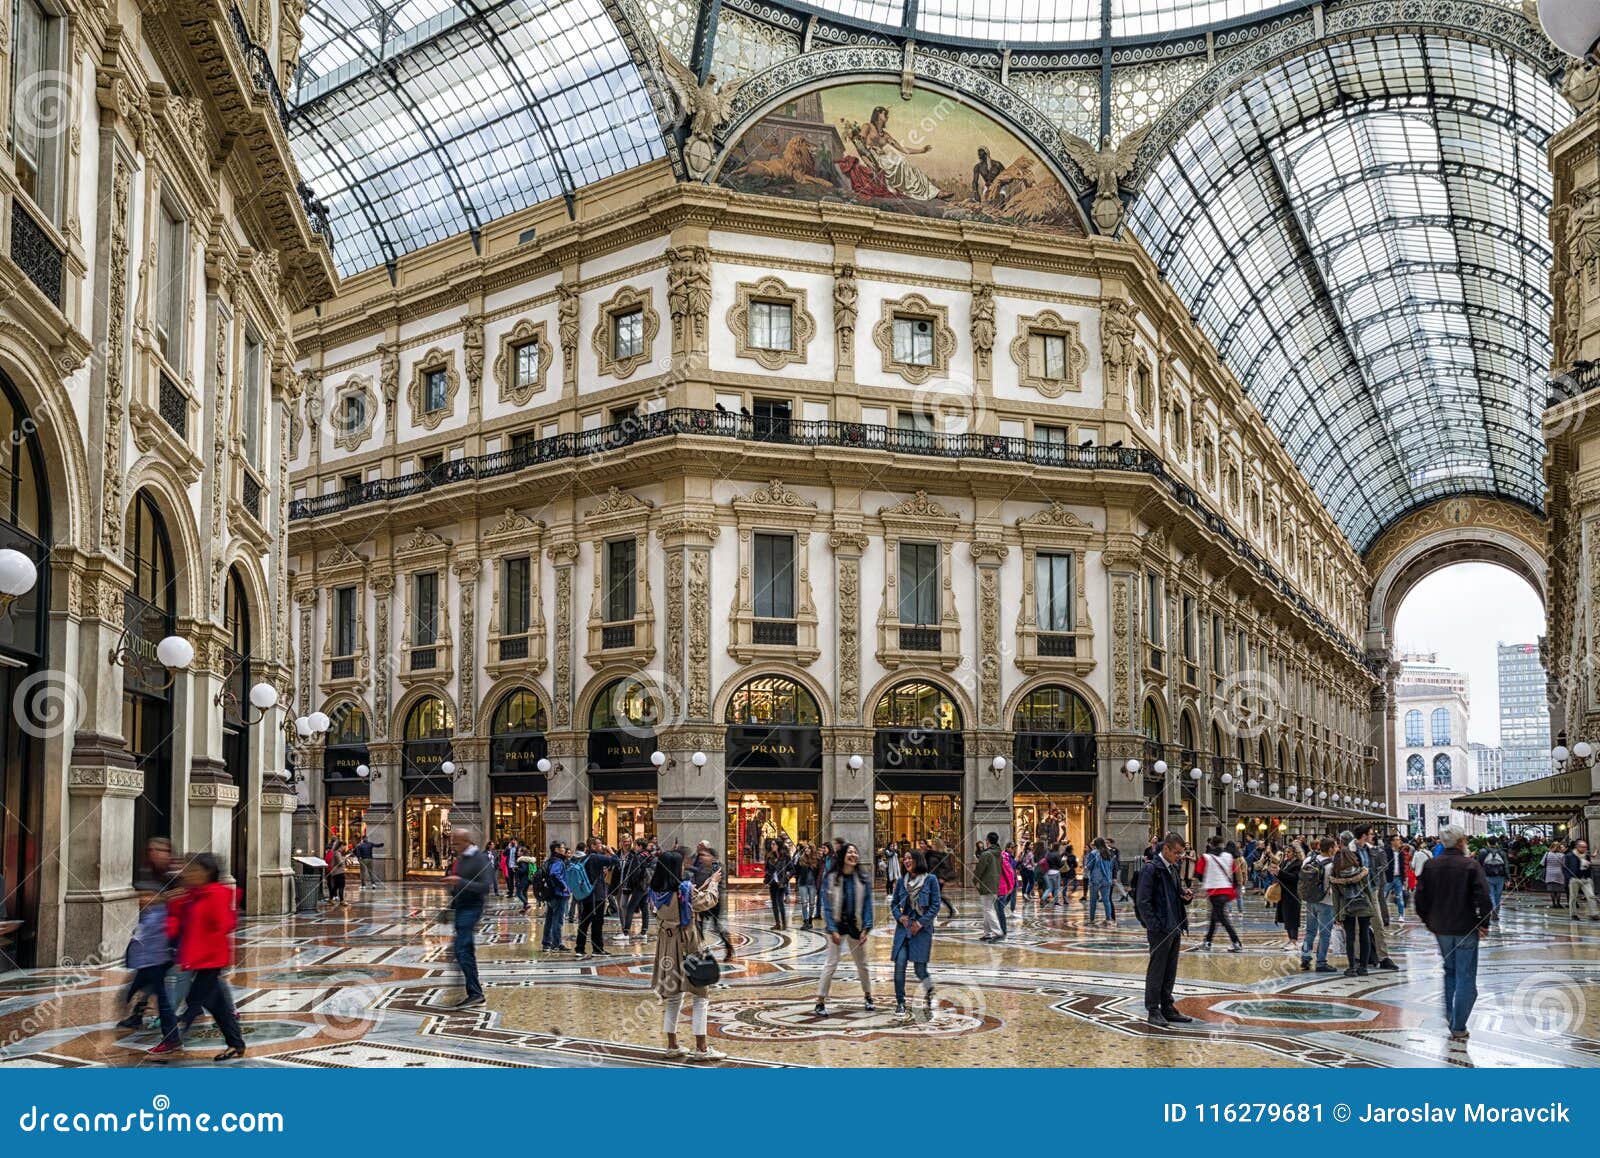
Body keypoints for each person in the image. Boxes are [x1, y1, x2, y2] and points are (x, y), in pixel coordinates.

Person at [157, 853, 246, 1059]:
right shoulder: (193, 895)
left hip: (212, 958)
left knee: (193, 1001)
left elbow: (226, 923)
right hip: (198, 957)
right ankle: (236, 1043)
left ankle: (173, 1040)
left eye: (193, 870)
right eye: (188, 870)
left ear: (207, 873)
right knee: (217, 1004)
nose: (188, 874)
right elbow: (179, 922)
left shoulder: (215, 894)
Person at [1413, 824, 1493, 1043]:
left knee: (1450, 971)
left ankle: (1451, 1015)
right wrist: (1484, 923)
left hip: (1441, 928)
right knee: (1466, 976)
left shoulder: (1431, 865)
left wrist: (1428, 920)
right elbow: (1484, 897)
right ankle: (1458, 1025)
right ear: (1461, 842)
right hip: (1466, 927)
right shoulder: (1470, 865)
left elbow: (1420, 898)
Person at [649, 849, 724, 1061]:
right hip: (688, 944)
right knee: (701, 996)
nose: (684, 867)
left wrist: (701, 885)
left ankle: (672, 1045)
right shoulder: (684, 888)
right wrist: (714, 882)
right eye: (681, 864)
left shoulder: (655, 889)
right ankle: (702, 1048)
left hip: (666, 945)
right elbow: (707, 901)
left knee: (674, 999)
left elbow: (685, 902)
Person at [1136, 832, 1195, 1028]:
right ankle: (1153, 1009)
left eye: (1182, 853)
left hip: (1174, 925)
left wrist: (1185, 897)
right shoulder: (1152, 869)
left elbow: (1174, 895)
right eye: (1177, 852)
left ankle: (1167, 1006)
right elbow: (1143, 902)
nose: (1180, 856)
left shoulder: (1172, 868)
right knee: (1157, 969)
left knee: (1170, 969)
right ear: (1166, 849)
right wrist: (1155, 926)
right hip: (1161, 928)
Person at [815, 843, 874, 1015]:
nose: (853, 855)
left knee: (862, 964)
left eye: (856, 852)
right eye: (850, 852)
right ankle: (820, 1001)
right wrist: (832, 928)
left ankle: (868, 996)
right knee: (831, 963)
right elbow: (826, 905)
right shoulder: (832, 877)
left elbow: (867, 905)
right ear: (843, 856)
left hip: (855, 925)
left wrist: (866, 928)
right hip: (837, 926)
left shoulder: (862, 879)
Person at [120, 877, 178, 1043]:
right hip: (146, 964)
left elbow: (156, 940)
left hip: (156, 963)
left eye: (147, 895)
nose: (142, 899)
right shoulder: (148, 913)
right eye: (140, 896)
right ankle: (137, 1016)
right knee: (134, 992)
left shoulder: (160, 916)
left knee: (163, 999)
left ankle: (171, 1035)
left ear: (158, 896)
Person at [443, 826, 493, 1007]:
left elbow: (485, 887)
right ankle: (471, 989)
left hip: (472, 908)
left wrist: (459, 881)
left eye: (456, 843)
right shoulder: (462, 858)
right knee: (460, 950)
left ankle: (475, 993)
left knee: (462, 949)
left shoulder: (480, 859)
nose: (453, 846)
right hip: (461, 908)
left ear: (465, 841)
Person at [890, 848, 940, 1020]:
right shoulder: (901, 881)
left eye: (910, 858)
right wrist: (900, 917)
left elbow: (935, 905)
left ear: (918, 860)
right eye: (904, 858)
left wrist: (920, 923)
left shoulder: (930, 880)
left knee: (920, 969)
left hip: (922, 930)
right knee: (900, 964)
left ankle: (929, 989)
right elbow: (894, 904)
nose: (906, 861)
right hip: (904, 929)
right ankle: (900, 1002)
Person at [1351, 825, 1399, 970]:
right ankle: (1358, 957)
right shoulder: (1349, 851)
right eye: (1371, 834)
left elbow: (1381, 867)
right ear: (1364, 835)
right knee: (1359, 927)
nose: (1373, 836)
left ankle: (1383, 957)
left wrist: (1375, 878)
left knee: (1378, 923)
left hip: (1372, 890)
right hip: (1357, 892)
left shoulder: (1372, 850)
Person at [1330, 839, 1374, 977]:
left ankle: (1352, 968)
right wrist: (1371, 906)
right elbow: (1368, 890)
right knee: (1364, 934)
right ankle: (1364, 967)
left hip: (1346, 907)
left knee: (1350, 937)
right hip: (1364, 905)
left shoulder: (1336, 875)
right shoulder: (1361, 871)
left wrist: (1337, 915)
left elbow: (1335, 897)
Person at [573, 838, 621, 958]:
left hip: (586, 894)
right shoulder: (596, 857)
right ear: (593, 846)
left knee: (584, 921)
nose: (602, 845)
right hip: (596, 895)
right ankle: (597, 949)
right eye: (599, 844)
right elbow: (616, 861)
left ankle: (580, 948)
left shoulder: (585, 857)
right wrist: (610, 851)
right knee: (597, 923)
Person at [1298, 836, 1338, 973]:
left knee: (1310, 931)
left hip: (1310, 901)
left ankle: (1305, 956)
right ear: (1331, 848)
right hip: (1326, 902)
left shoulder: (1309, 860)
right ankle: (1321, 962)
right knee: (1324, 933)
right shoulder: (1332, 865)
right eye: (1336, 846)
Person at [692, 844, 734, 962]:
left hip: (714, 902)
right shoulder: (700, 867)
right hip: (702, 901)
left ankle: (729, 947)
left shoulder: (718, 868)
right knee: (699, 928)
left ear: (712, 857)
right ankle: (704, 952)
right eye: (701, 856)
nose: (702, 858)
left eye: (705, 855)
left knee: (717, 927)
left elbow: (719, 886)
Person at [1197, 839, 1243, 951]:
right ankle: (1207, 942)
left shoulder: (1206, 857)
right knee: (1214, 917)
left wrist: (1207, 880)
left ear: (1211, 845)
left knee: (1222, 917)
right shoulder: (1228, 856)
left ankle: (1236, 942)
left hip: (1214, 891)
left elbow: (1198, 874)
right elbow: (1233, 872)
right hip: (1226, 890)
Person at [618, 838, 653, 940]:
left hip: (639, 886)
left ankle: (625, 932)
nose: (634, 847)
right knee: (644, 907)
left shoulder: (638, 857)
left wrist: (632, 885)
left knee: (630, 908)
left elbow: (635, 873)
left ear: (640, 846)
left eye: (636, 845)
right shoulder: (649, 856)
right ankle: (644, 931)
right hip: (646, 885)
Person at [540, 840, 572, 952]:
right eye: (562, 848)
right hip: (559, 894)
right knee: (557, 919)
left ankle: (546, 943)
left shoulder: (550, 860)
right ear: (557, 849)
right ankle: (556, 944)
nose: (564, 849)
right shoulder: (558, 861)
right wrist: (564, 886)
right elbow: (555, 873)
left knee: (549, 918)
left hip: (550, 893)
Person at [975, 832, 1005, 942]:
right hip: (995, 884)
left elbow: (979, 869)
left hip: (986, 884)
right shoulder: (999, 853)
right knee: (987, 908)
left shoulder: (986, 854)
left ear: (987, 841)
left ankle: (998, 932)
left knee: (988, 909)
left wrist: (975, 880)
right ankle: (987, 933)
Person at [1274, 839, 1302, 950]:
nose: (1286, 854)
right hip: (1284, 893)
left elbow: (1294, 878)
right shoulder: (1285, 862)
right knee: (1286, 916)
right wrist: (1276, 872)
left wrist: (1280, 872)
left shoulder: (1299, 864)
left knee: (1293, 917)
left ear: (1295, 853)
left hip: (1293, 893)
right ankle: (1290, 939)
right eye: (1286, 852)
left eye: (1289, 852)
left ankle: (1294, 940)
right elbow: (1282, 875)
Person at [1475, 836, 1510, 921]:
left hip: (1487, 876)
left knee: (1491, 894)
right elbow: (1506, 866)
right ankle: (1496, 911)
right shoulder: (1502, 852)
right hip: (1500, 876)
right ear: (1497, 843)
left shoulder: (1483, 852)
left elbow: (1478, 864)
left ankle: (1493, 909)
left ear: (1487, 843)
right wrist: (1508, 878)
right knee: (1498, 895)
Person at [1565, 839, 1600, 920]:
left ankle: (1594, 914)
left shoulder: (1586, 855)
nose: (1584, 849)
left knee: (1591, 896)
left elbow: (1588, 864)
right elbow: (1565, 868)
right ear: (1577, 847)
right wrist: (1569, 877)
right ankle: (1573, 914)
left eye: (1585, 847)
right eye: (1582, 847)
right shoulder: (1569, 855)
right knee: (1573, 897)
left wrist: (1588, 865)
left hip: (1586, 879)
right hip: (1574, 879)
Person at [1085, 837, 1116, 926]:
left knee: (1093, 900)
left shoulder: (1093, 853)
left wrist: (1086, 867)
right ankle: (1108, 919)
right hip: (1106, 879)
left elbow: (1089, 866)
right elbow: (1111, 866)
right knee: (1106, 900)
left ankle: (1092, 919)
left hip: (1095, 879)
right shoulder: (1108, 853)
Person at [763, 839, 791, 930]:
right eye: (771, 844)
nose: (772, 846)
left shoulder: (785, 856)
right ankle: (777, 923)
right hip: (772, 883)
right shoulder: (769, 856)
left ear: (778, 845)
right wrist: (767, 881)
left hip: (781, 883)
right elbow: (767, 870)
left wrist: (786, 878)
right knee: (774, 903)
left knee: (780, 902)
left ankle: (784, 923)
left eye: (774, 844)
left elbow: (792, 870)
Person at [928, 839, 958, 920]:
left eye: (934, 844)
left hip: (938, 879)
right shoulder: (931, 854)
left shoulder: (943, 855)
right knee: (936, 896)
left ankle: (949, 909)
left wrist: (942, 878)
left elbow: (946, 868)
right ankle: (949, 909)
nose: (932, 845)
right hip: (931, 877)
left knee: (935, 896)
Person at [1385, 833, 1409, 921]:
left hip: (1398, 878)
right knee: (1384, 896)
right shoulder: (1387, 851)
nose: (1399, 841)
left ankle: (1401, 915)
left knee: (1400, 897)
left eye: (1399, 839)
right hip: (1388, 878)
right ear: (1392, 842)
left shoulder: (1401, 852)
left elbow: (1403, 866)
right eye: (1397, 840)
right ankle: (1383, 915)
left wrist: (1404, 879)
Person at [1544, 840, 1568, 908]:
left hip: (1549, 873)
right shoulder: (1562, 855)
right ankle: (1558, 903)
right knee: (1558, 890)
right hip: (1559, 873)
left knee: (1551, 889)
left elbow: (1542, 863)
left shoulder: (1547, 854)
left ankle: (1553, 903)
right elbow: (1564, 865)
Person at [325, 839, 348, 907]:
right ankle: (342, 900)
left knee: (336, 887)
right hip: (339, 872)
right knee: (341, 886)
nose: (344, 848)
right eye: (344, 846)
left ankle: (331, 899)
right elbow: (340, 863)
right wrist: (345, 858)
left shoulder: (336, 852)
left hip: (336, 873)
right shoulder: (337, 853)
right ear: (341, 846)